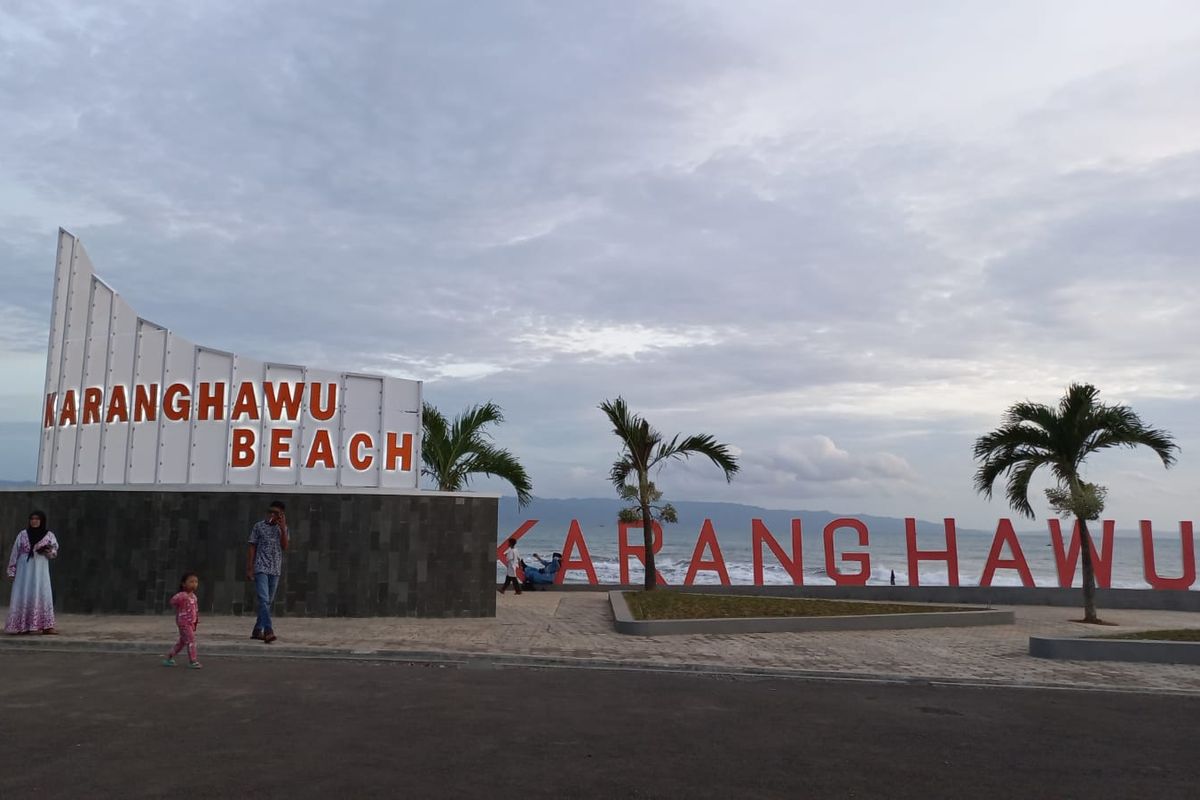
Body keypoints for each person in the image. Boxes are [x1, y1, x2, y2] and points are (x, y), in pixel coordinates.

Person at [5, 510, 58, 635]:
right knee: (24, 594)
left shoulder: (49, 535)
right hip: (24, 572)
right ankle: (22, 625)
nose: (34, 521)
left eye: (37, 519)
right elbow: (15, 552)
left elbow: (54, 552)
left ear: (42, 520)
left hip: (40, 571)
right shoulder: (22, 534)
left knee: (42, 594)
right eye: (32, 518)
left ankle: (47, 626)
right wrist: (12, 570)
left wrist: (46, 551)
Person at [247, 500, 289, 643]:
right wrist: (250, 567)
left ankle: (257, 630)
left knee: (268, 601)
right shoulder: (258, 526)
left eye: (276, 513)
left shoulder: (282, 529)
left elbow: (285, 546)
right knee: (264, 599)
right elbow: (252, 546)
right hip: (261, 567)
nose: (271, 514)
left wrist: (282, 529)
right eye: (270, 511)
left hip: (275, 569)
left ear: (281, 515)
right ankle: (268, 630)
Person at [163, 572, 202, 669]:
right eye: (191, 581)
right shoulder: (181, 595)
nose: (194, 584)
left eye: (196, 582)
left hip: (190, 623)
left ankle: (169, 657)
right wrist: (181, 600)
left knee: (182, 642)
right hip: (183, 623)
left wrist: (196, 620)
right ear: (184, 584)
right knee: (191, 640)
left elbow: (195, 610)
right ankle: (193, 661)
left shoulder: (194, 597)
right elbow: (172, 601)